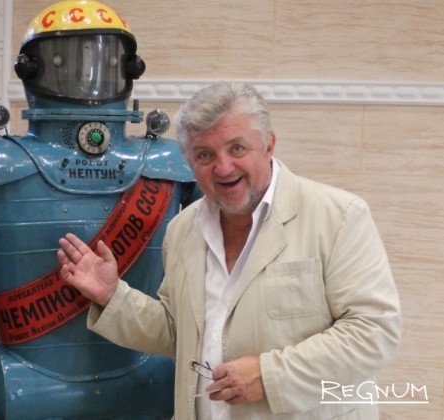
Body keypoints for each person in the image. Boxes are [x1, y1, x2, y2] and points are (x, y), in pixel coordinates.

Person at [57, 81, 402, 419]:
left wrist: (269, 376)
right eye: (205, 155)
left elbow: (374, 332)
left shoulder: (339, 217)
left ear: (268, 145)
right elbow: (182, 331)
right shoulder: (182, 230)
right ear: (190, 163)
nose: (223, 168)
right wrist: (112, 296)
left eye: (237, 148)